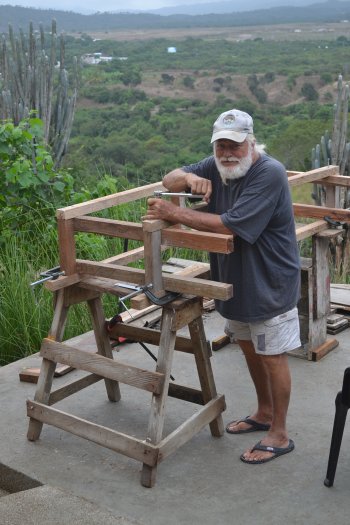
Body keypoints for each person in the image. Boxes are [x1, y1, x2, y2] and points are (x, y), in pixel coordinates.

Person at [143, 108, 301, 465]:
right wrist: (187, 178)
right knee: (247, 346)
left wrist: (173, 213)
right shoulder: (218, 164)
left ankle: (280, 433)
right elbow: (169, 180)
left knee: (272, 355)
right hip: (234, 279)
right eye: (221, 146)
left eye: (235, 145)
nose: (228, 153)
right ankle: (263, 412)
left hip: (269, 279)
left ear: (251, 142)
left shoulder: (268, 173)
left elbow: (230, 227)